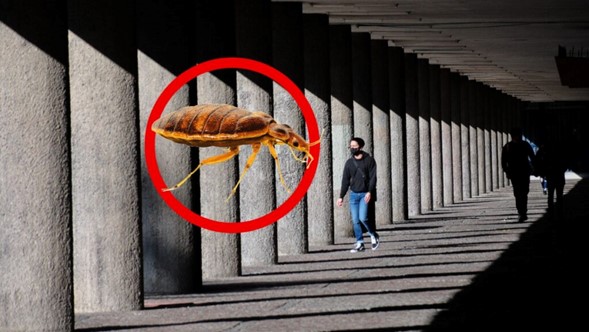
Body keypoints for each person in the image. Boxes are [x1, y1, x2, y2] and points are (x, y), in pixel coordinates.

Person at [336, 137, 380, 252]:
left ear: (360, 146)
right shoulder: (349, 163)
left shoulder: (369, 160)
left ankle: (373, 234)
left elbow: (373, 178)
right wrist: (341, 196)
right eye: (351, 146)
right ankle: (360, 243)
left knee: (363, 218)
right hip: (354, 194)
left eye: (354, 146)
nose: (352, 148)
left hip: (365, 194)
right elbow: (345, 180)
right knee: (355, 220)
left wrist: (370, 191)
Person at [501, 127, 535, 222]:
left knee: (523, 192)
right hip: (516, 173)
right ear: (513, 136)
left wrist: (535, 167)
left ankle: (522, 211)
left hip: (522, 172)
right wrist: (507, 171)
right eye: (517, 135)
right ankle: (521, 212)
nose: (518, 137)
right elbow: (503, 161)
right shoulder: (508, 146)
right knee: (518, 193)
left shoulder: (522, 145)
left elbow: (532, 157)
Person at [534, 136, 571, 219]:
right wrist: (562, 170)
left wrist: (541, 171)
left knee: (550, 195)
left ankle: (551, 213)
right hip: (559, 175)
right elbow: (567, 160)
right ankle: (559, 213)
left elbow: (538, 160)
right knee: (559, 196)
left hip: (550, 175)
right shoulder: (561, 149)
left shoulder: (544, 149)